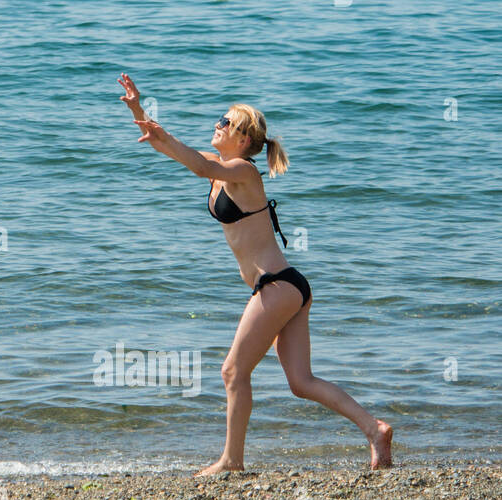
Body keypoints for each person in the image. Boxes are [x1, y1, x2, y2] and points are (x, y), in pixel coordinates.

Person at [117, 73, 393, 474]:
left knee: (233, 370)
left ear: (244, 140)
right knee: (301, 382)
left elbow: (194, 163)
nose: (218, 124)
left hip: (277, 286)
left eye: (225, 122)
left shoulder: (244, 172)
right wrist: (139, 109)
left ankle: (232, 461)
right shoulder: (221, 171)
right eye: (219, 118)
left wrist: (164, 133)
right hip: (287, 286)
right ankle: (374, 428)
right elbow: (174, 150)